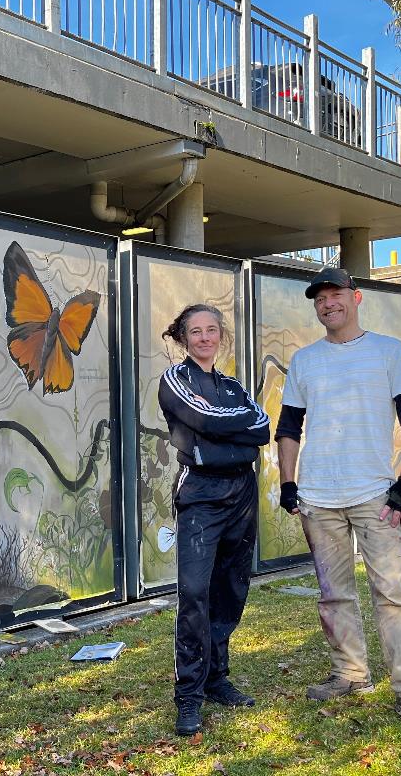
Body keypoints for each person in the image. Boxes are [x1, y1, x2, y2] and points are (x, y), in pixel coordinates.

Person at [274, 267, 401, 730]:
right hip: (318, 498)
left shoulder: (389, 351)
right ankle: (350, 674)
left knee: (391, 593)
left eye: (336, 295)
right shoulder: (305, 360)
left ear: (356, 298)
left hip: (376, 496)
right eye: (320, 299)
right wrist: (288, 483)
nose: (328, 303)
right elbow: (288, 428)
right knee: (333, 595)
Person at [158, 304, 271, 736]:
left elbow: (262, 428)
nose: (205, 338)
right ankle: (188, 695)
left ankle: (216, 679)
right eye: (196, 331)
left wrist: (222, 428)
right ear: (183, 337)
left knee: (231, 589)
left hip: (242, 491)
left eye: (211, 330)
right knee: (194, 593)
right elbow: (202, 418)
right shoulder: (175, 380)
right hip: (201, 496)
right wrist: (230, 427)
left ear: (220, 335)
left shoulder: (233, 386)